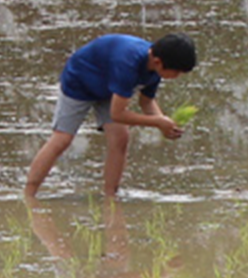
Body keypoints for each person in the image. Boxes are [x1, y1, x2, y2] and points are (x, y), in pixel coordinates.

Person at [24, 33, 196, 198]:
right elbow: (118, 114)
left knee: (120, 138)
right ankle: (29, 194)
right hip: (79, 81)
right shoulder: (128, 63)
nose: (177, 76)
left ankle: (110, 196)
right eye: (177, 72)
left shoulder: (154, 70)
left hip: (111, 90)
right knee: (62, 139)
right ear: (158, 62)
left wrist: (164, 125)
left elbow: (147, 102)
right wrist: (158, 121)